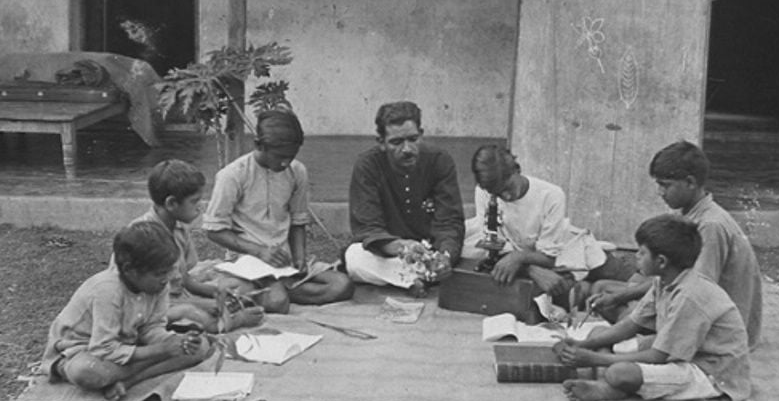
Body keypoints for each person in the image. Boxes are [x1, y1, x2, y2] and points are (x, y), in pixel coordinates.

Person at [556, 214, 751, 401]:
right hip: (683, 352)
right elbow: (633, 323)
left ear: (662, 261)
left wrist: (594, 358)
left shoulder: (690, 296)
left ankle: (609, 386)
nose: (636, 257)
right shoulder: (663, 282)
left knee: (619, 372)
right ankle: (610, 382)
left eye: (641, 252)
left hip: (709, 371)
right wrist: (584, 345)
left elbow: (658, 356)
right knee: (599, 333)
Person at [588, 140, 762, 349]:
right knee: (607, 295)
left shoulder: (710, 226)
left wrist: (631, 306)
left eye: (665, 185)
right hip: (686, 300)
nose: (660, 192)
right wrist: (624, 297)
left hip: (716, 328)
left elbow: (696, 293)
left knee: (621, 328)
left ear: (690, 182)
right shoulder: (688, 212)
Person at [203, 108, 354, 313]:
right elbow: (213, 230)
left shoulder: (297, 171)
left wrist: (299, 257)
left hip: (285, 260)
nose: (285, 163)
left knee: (342, 286)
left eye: (291, 157)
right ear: (259, 145)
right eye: (280, 156)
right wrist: (260, 251)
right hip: (248, 259)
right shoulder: (232, 176)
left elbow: (298, 220)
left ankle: (272, 288)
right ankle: (270, 289)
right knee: (277, 303)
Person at [41, 222, 212, 401]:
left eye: (169, 271)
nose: (168, 279)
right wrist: (162, 350)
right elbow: (103, 349)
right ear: (130, 270)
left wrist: (175, 342)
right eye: (160, 273)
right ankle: (67, 369)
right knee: (86, 372)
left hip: (126, 344)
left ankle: (128, 381)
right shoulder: (107, 290)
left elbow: (151, 328)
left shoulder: (157, 285)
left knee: (199, 348)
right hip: (82, 349)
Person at [462, 145, 634, 316]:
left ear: (517, 171)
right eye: (498, 194)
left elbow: (548, 256)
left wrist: (519, 258)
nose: (506, 197)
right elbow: (494, 241)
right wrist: (530, 269)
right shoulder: (484, 192)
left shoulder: (551, 195)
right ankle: (593, 289)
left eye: (508, 188)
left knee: (622, 275)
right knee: (569, 294)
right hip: (530, 257)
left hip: (562, 248)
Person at [128, 159, 264, 333]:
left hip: (177, 297)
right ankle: (235, 321)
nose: (199, 208)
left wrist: (216, 292)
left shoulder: (178, 227)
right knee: (200, 315)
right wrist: (204, 304)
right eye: (194, 201)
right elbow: (142, 297)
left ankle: (222, 312)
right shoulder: (143, 236)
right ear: (171, 203)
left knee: (242, 289)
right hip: (148, 307)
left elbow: (184, 281)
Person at [346, 101, 465, 293]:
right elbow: (368, 227)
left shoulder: (440, 160)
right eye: (396, 142)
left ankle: (413, 276)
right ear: (381, 142)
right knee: (354, 257)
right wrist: (401, 247)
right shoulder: (367, 165)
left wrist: (445, 256)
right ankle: (415, 278)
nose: (407, 149)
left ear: (422, 134)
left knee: (477, 240)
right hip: (390, 252)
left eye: (413, 139)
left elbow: (449, 221)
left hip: (432, 248)